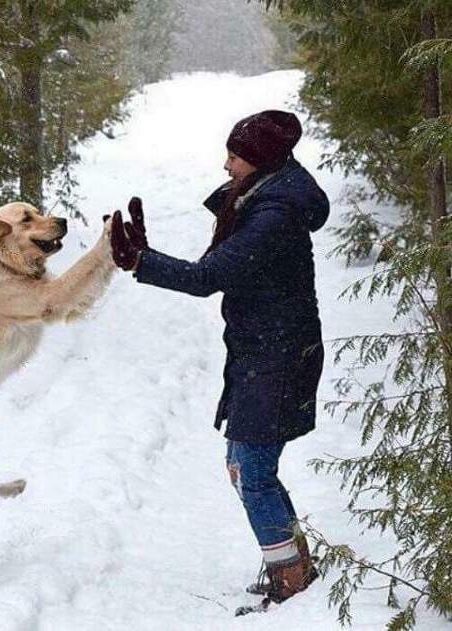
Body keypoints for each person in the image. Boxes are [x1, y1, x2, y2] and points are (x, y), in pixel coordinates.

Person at [110, 110, 329, 616]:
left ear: (259, 161)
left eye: (234, 156)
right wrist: (147, 253)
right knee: (246, 466)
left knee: (250, 469)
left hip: (278, 356)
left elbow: (210, 275)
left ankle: (291, 580)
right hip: (264, 350)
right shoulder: (265, 194)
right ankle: (294, 564)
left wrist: (142, 262)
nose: (225, 165)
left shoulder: (274, 214)